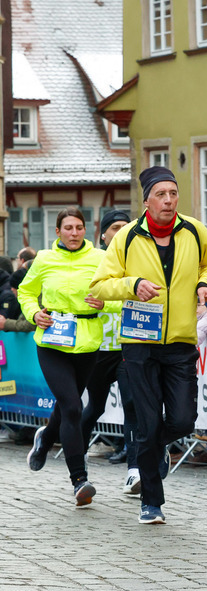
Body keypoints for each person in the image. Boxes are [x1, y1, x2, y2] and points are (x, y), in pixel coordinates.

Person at [91, 166, 207, 524]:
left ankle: (150, 449)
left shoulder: (194, 230)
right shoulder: (128, 237)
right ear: (147, 200)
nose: (168, 200)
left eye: (173, 194)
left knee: (182, 420)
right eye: (161, 195)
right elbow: (100, 286)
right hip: (139, 343)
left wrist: (204, 284)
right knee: (148, 423)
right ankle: (151, 502)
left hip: (180, 341)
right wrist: (132, 285)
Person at [18, 207, 109, 505]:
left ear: (87, 230)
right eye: (68, 228)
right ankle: (79, 480)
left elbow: (117, 296)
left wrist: (104, 303)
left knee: (65, 404)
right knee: (72, 406)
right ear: (57, 232)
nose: (74, 233)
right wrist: (34, 313)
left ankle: (45, 437)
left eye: (79, 228)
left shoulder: (99, 259)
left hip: (87, 343)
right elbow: (26, 292)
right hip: (52, 342)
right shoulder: (44, 259)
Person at [78, 210, 138, 482]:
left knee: (132, 404)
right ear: (103, 234)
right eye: (115, 227)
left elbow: (137, 300)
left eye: (127, 226)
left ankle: (134, 470)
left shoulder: (139, 260)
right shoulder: (94, 262)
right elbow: (90, 298)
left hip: (128, 346)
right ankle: (77, 457)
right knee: (96, 407)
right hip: (100, 347)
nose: (121, 231)